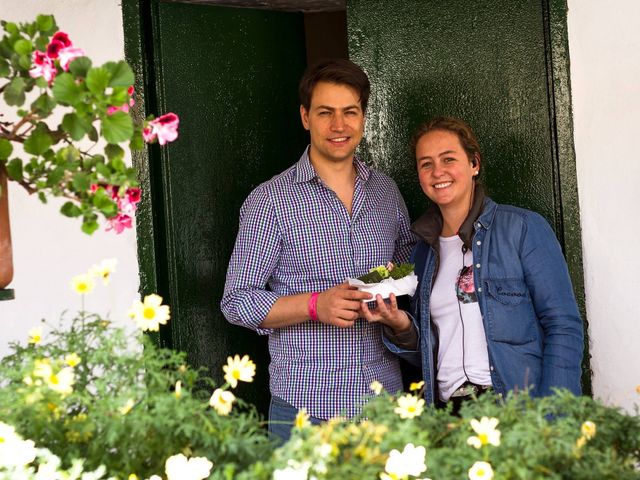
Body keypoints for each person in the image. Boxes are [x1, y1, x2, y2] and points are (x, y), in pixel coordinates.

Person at [220, 59, 415, 441]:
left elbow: (409, 270)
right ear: (306, 117)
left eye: (350, 112)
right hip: (307, 413)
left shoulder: (386, 192)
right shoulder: (270, 201)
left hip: (385, 406)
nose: (339, 126)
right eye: (326, 113)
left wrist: (393, 303)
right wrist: (315, 305)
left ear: (362, 117)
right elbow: (236, 301)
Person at [362, 116, 584, 412]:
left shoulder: (522, 229)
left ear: (474, 164)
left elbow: (563, 326)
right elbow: (432, 352)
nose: (437, 171)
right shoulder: (422, 255)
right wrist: (399, 324)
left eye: (448, 159)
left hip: (518, 411)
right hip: (451, 414)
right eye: (426, 164)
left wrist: (554, 416)